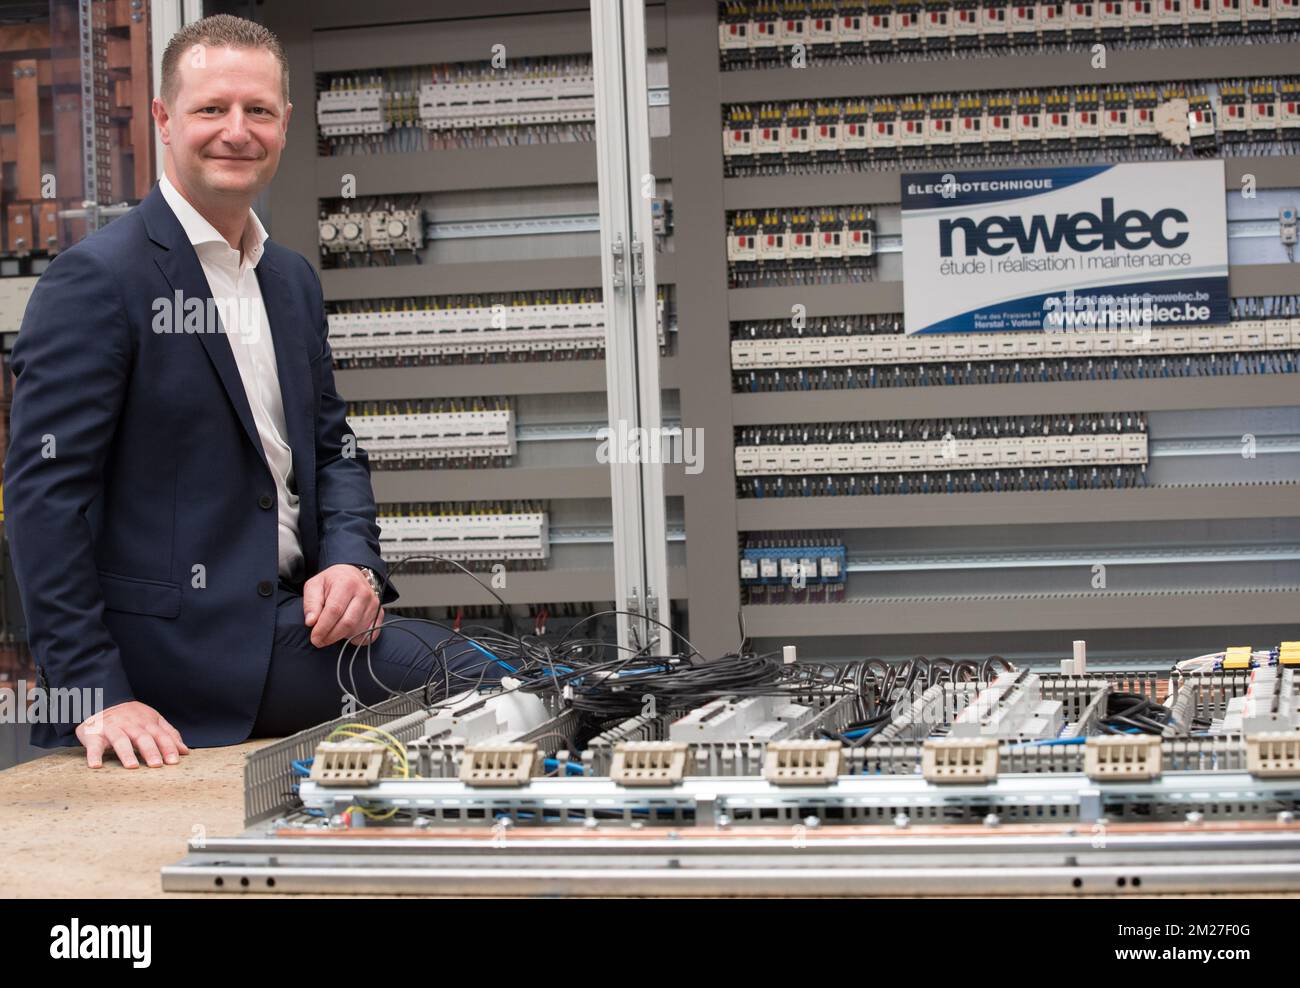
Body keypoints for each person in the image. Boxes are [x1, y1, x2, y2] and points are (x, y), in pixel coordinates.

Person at [3, 15, 492, 770]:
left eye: (258, 111)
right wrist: (97, 691)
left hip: (293, 621)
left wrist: (353, 564)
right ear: (164, 119)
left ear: (286, 123)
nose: (238, 130)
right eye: (212, 109)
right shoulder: (98, 281)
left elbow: (333, 447)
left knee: (521, 683)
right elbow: (44, 499)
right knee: (480, 678)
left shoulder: (287, 279)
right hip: (181, 659)